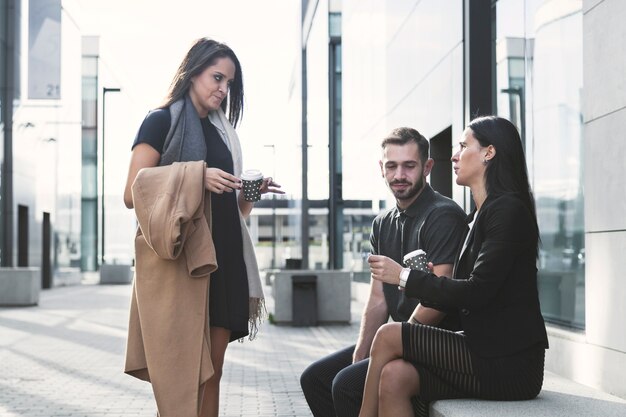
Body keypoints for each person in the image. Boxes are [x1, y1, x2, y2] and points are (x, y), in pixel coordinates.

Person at [122, 38, 283, 417]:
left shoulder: (223, 132)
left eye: (229, 83)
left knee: (213, 370)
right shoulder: (161, 120)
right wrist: (197, 176)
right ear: (193, 71)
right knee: (183, 375)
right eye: (217, 77)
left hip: (225, 260)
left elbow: (236, 212)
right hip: (183, 266)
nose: (223, 89)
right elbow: (133, 190)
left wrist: (251, 193)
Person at [360, 115, 549, 417]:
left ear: (489, 152)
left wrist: (405, 276)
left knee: (387, 335)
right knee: (394, 376)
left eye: (463, 145)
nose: (454, 155)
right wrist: (426, 279)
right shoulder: (478, 216)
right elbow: (466, 289)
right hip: (480, 348)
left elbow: (477, 292)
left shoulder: (508, 210)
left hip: (509, 363)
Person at [300, 127, 467, 417]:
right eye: (391, 166)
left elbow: (439, 298)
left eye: (409, 166)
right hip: (396, 337)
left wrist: (395, 343)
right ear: (382, 168)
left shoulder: (443, 214)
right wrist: (361, 353)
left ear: (427, 167)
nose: (399, 175)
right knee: (315, 378)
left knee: (346, 386)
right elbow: (378, 300)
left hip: (435, 342)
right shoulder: (382, 223)